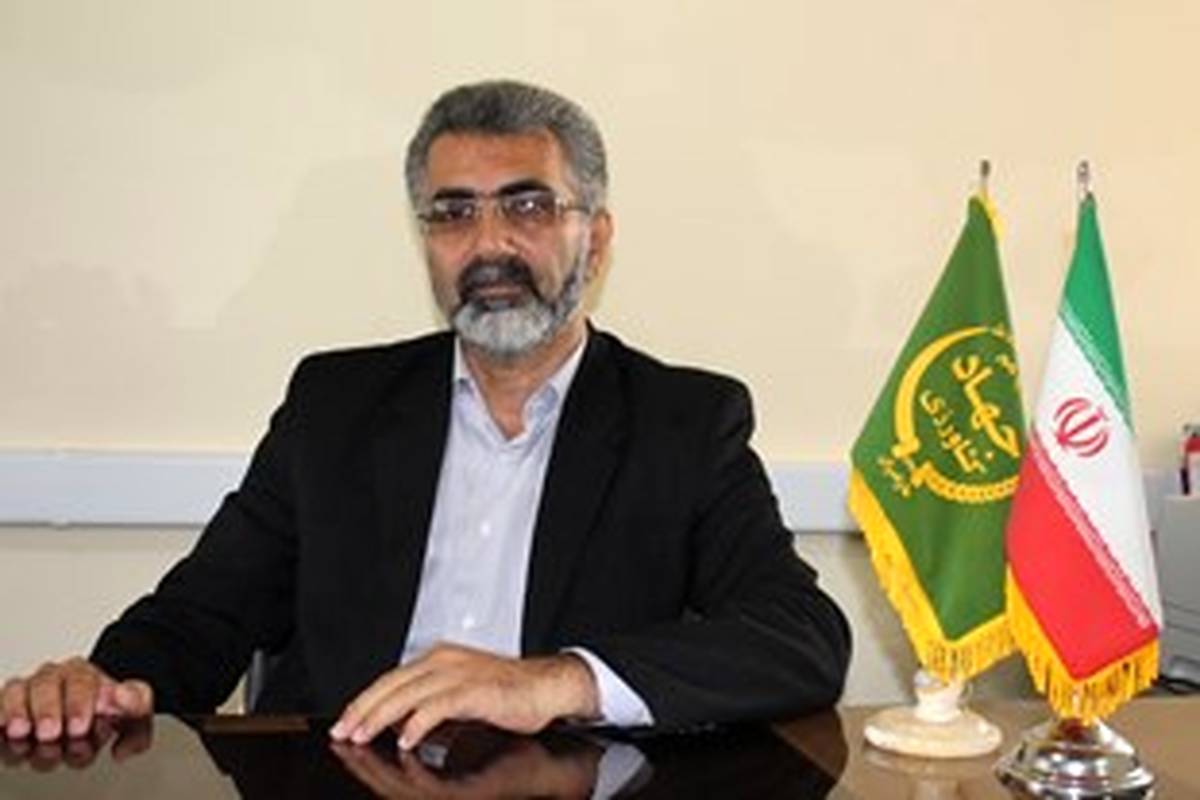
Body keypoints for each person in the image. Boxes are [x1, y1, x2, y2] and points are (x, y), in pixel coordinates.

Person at [0, 80, 851, 750]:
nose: (489, 244)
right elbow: (204, 614)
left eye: (528, 206)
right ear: (427, 242)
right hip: (345, 778)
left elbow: (802, 637)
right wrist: (106, 682)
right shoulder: (336, 407)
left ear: (594, 241)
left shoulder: (683, 423)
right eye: (454, 213)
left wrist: (555, 682)